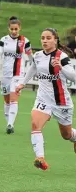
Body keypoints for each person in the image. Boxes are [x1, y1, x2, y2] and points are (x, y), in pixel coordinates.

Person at [16, 28, 76, 170]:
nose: (45, 41)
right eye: (43, 38)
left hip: (61, 102)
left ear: (55, 40)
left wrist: (61, 68)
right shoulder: (37, 56)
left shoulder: (62, 57)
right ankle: (40, 158)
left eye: (48, 38)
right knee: (35, 125)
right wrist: (22, 83)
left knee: (66, 135)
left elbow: (73, 77)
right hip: (43, 99)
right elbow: (33, 68)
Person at [0, 16, 32, 134]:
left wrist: (38, 66)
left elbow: (30, 57)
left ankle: (10, 124)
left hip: (18, 74)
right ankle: (8, 122)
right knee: (6, 99)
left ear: (20, 28)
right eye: (12, 29)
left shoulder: (25, 41)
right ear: (9, 29)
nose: (14, 31)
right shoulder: (3, 40)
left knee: (14, 98)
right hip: (6, 74)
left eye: (16, 29)